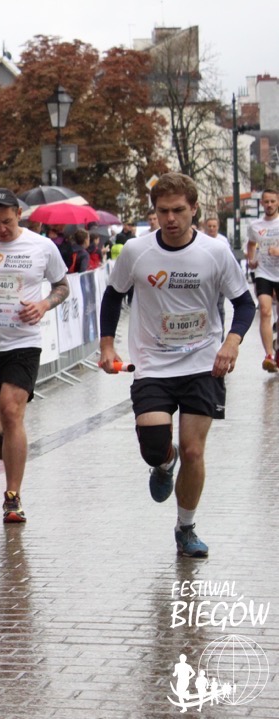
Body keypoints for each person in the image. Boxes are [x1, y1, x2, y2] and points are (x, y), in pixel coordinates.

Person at [99, 172, 255, 558]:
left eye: (179, 210)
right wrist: (106, 345)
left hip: (203, 363)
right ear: (154, 211)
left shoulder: (215, 252)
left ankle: (186, 528)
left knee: (194, 451)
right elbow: (113, 295)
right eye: (163, 211)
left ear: (194, 209)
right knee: (154, 448)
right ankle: (163, 463)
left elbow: (244, 303)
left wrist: (232, 342)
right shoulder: (136, 251)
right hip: (153, 363)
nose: (170, 219)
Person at [0, 188, 69, 523]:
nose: (2, 229)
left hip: (24, 342)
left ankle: (12, 497)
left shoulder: (42, 247)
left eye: (7, 221)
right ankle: (4, 437)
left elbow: (62, 286)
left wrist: (44, 305)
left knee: (11, 410)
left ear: (19, 215)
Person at [245, 188, 279, 371]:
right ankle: (269, 356)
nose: (269, 205)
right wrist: (251, 260)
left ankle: (277, 348)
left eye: (272, 201)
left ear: (278, 202)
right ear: (261, 203)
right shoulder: (255, 225)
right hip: (263, 272)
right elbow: (251, 244)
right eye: (266, 201)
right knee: (265, 311)